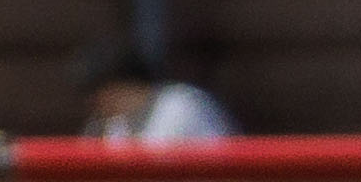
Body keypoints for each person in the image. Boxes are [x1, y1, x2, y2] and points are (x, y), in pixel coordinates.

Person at [78, 44, 241, 144]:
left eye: (100, 94)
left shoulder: (183, 106)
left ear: (125, 86)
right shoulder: (110, 126)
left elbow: (223, 166)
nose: (97, 103)